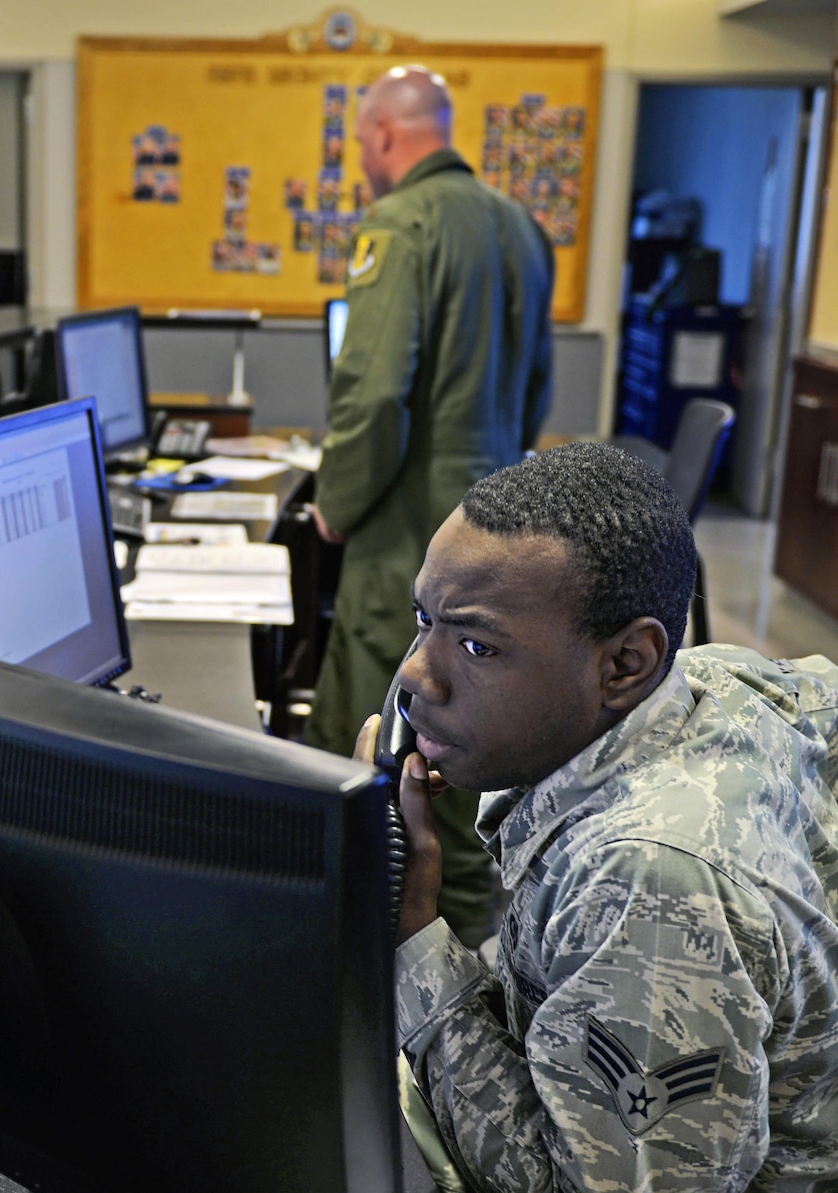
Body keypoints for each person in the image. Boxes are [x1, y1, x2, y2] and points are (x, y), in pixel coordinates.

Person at [357, 444, 838, 1193]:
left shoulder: (652, 875)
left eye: (476, 648)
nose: (414, 680)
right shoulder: (715, 686)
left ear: (625, 663)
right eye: (423, 625)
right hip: (625, 1147)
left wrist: (414, 935)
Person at [307, 65, 554, 948]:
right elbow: (534, 392)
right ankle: (483, 958)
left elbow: (374, 397)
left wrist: (332, 504)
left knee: (383, 756)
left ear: (380, 136)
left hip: (408, 540)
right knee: (469, 751)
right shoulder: (520, 227)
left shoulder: (397, 226)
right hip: (500, 535)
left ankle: (389, 982)